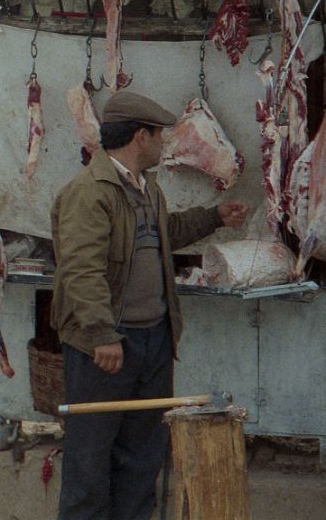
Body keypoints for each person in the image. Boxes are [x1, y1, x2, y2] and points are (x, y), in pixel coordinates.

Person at [50, 91, 248, 520]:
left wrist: (215, 217)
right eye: (160, 135)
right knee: (90, 459)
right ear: (141, 137)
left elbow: (164, 233)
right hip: (105, 347)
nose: (165, 145)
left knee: (142, 458)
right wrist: (102, 334)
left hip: (153, 341)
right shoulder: (90, 193)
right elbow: (81, 270)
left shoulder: (146, 188)